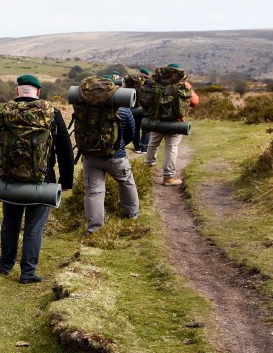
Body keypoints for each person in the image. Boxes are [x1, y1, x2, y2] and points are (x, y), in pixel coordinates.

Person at [0, 74, 74, 283]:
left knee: (10, 223)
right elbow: (65, 150)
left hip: (8, 180)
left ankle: (5, 265)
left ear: (17, 91)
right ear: (38, 92)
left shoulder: (3, 112)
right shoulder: (52, 112)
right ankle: (28, 273)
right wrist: (66, 181)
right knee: (34, 227)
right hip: (43, 181)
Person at [80, 78, 140, 233]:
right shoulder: (124, 110)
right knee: (126, 182)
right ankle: (131, 214)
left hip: (91, 156)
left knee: (94, 191)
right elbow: (131, 133)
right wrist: (119, 145)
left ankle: (94, 228)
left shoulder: (84, 108)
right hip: (116, 156)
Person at [144, 63, 200, 186]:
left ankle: (146, 172)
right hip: (175, 122)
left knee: (153, 143)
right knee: (171, 147)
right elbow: (195, 102)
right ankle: (168, 178)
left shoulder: (155, 83)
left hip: (156, 120)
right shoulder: (183, 85)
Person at [130, 68, 151, 153]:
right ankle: (144, 148)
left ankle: (137, 147)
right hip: (146, 109)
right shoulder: (149, 83)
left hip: (135, 109)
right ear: (146, 75)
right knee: (146, 129)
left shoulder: (133, 82)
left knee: (136, 128)